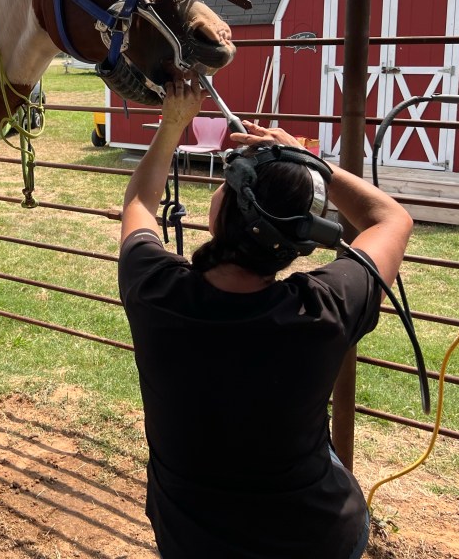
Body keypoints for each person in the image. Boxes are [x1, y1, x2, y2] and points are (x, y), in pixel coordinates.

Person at [119, 72, 414, 559]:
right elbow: (391, 218)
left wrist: (172, 125)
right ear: (300, 240)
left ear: (223, 214)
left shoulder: (154, 291)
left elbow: (138, 204)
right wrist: (310, 163)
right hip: (317, 540)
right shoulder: (324, 307)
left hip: (191, 542)